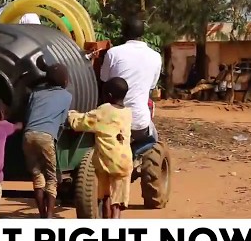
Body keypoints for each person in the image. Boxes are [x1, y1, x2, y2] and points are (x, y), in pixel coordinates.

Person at [68, 78, 132, 219]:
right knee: (117, 203)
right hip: (124, 162)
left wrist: (71, 114)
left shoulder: (104, 111)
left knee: (105, 197)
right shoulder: (128, 113)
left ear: (108, 96)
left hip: (105, 162)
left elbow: (81, 122)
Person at [99, 16, 162, 142]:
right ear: (142, 33)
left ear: (124, 32)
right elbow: (151, 87)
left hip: (113, 121)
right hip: (139, 123)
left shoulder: (113, 53)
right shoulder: (156, 56)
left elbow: (102, 80)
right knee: (153, 139)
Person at [23, 63, 72, 218]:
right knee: (51, 177)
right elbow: (62, 122)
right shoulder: (66, 96)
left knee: (37, 175)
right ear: (65, 80)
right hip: (46, 136)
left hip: (28, 135)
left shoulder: (36, 93)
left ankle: (42, 214)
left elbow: (28, 114)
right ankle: (49, 216)